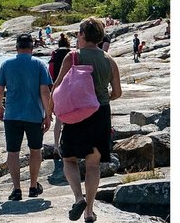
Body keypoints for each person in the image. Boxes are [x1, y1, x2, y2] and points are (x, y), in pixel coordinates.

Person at [54, 18, 122, 223]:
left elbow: (57, 87)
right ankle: (90, 212)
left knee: (69, 159)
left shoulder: (72, 56)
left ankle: (78, 199)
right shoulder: (109, 60)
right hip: (100, 114)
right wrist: (101, 99)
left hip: (76, 114)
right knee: (93, 165)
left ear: (83, 35)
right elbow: (117, 93)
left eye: (78, 33)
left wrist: (51, 110)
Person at [0, 33, 53, 202]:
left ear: (16, 47)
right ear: (32, 48)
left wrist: (0, 107)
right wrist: (48, 115)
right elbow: (44, 91)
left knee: (13, 152)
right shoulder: (39, 65)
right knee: (35, 150)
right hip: (34, 115)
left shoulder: (6, 64)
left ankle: (17, 189)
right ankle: (33, 186)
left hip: (12, 115)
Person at [47, 34, 73, 181]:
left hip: (57, 89)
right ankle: (70, 147)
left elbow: (50, 71)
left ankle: (56, 146)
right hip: (70, 88)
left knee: (58, 120)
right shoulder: (72, 53)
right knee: (71, 119)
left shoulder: (55, 54)